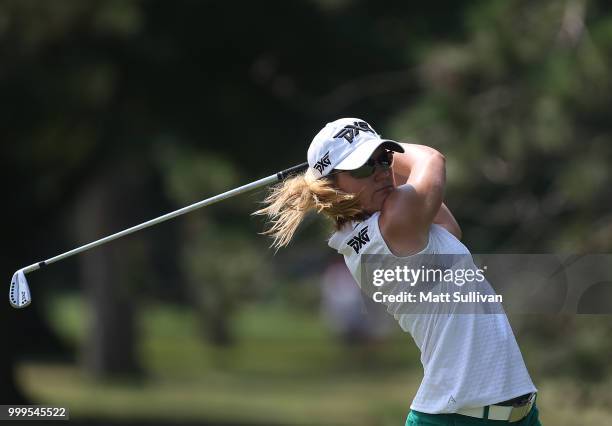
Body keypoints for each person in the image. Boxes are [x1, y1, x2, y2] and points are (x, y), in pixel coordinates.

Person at [255, 118, 541, 425]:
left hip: (510, 414)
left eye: (383, 160)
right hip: (458, 419)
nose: (380, 173)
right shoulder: (393, 222)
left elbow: (450, 229)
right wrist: (380, 145)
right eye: (363, 167)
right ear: (331, 186)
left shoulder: (380, 228)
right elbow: (432, 159)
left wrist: (366, 148)